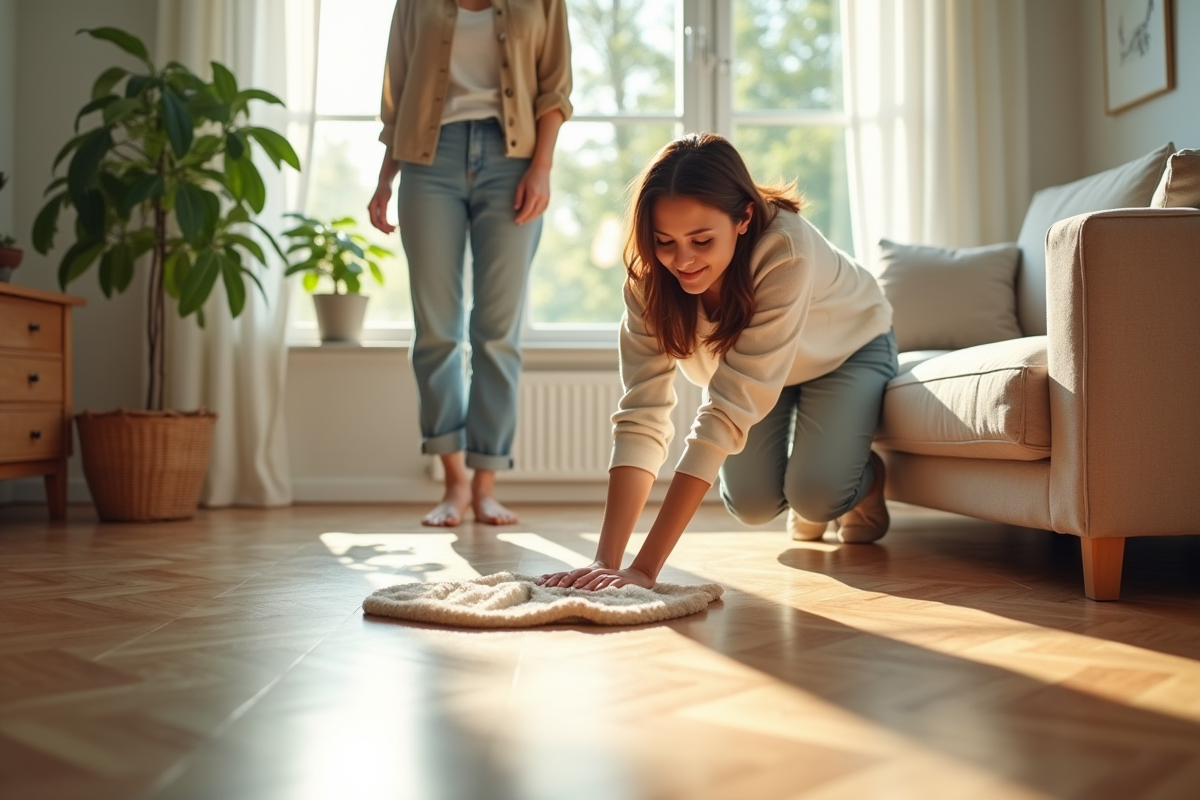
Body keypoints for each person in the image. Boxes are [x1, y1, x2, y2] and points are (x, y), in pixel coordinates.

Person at [539, 133, 898, 591]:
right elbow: (641, 415)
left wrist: (644, 569)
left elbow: (726, 412)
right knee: (750, 504)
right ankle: (814, 477)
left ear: (744, 218)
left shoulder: (784, 248)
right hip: (763, 374)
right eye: (664, 241)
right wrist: (605, 560)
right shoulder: (648, 282)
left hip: (847, 350)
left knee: (815, 494)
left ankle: (860, 484)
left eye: (702, 240)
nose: (682, 260)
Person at [368, 0, 572, 526]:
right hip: (426, 161)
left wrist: (542, 167)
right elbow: (398, 85)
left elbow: (555, 86)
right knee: (436, 328)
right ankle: (454, 484)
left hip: (514, 160)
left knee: (496, 331)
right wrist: (385, 179)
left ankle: (486, 485)